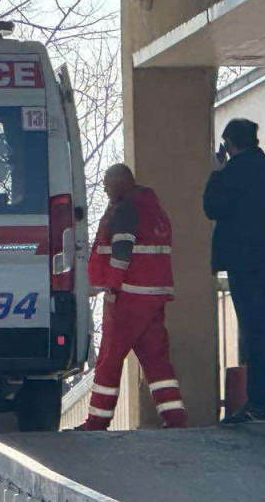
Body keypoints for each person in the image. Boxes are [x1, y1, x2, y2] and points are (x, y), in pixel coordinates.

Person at [72, 164, 188, 431]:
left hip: (129, 295)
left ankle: (98, 420)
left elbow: (122, 251)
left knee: (110, 358)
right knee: (156, 359)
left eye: (106, 182)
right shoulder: (154, 208)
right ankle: (175, 417)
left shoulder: (126, 209)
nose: (104, 187)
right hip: (153, 295)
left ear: (121, 182)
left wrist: (112, 287)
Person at [205, 118, 265, 425]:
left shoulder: (230, 175)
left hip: (243, 265)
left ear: (229, 145)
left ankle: (257, 402)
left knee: (254, 330)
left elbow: (212, 208)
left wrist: (215, 174)